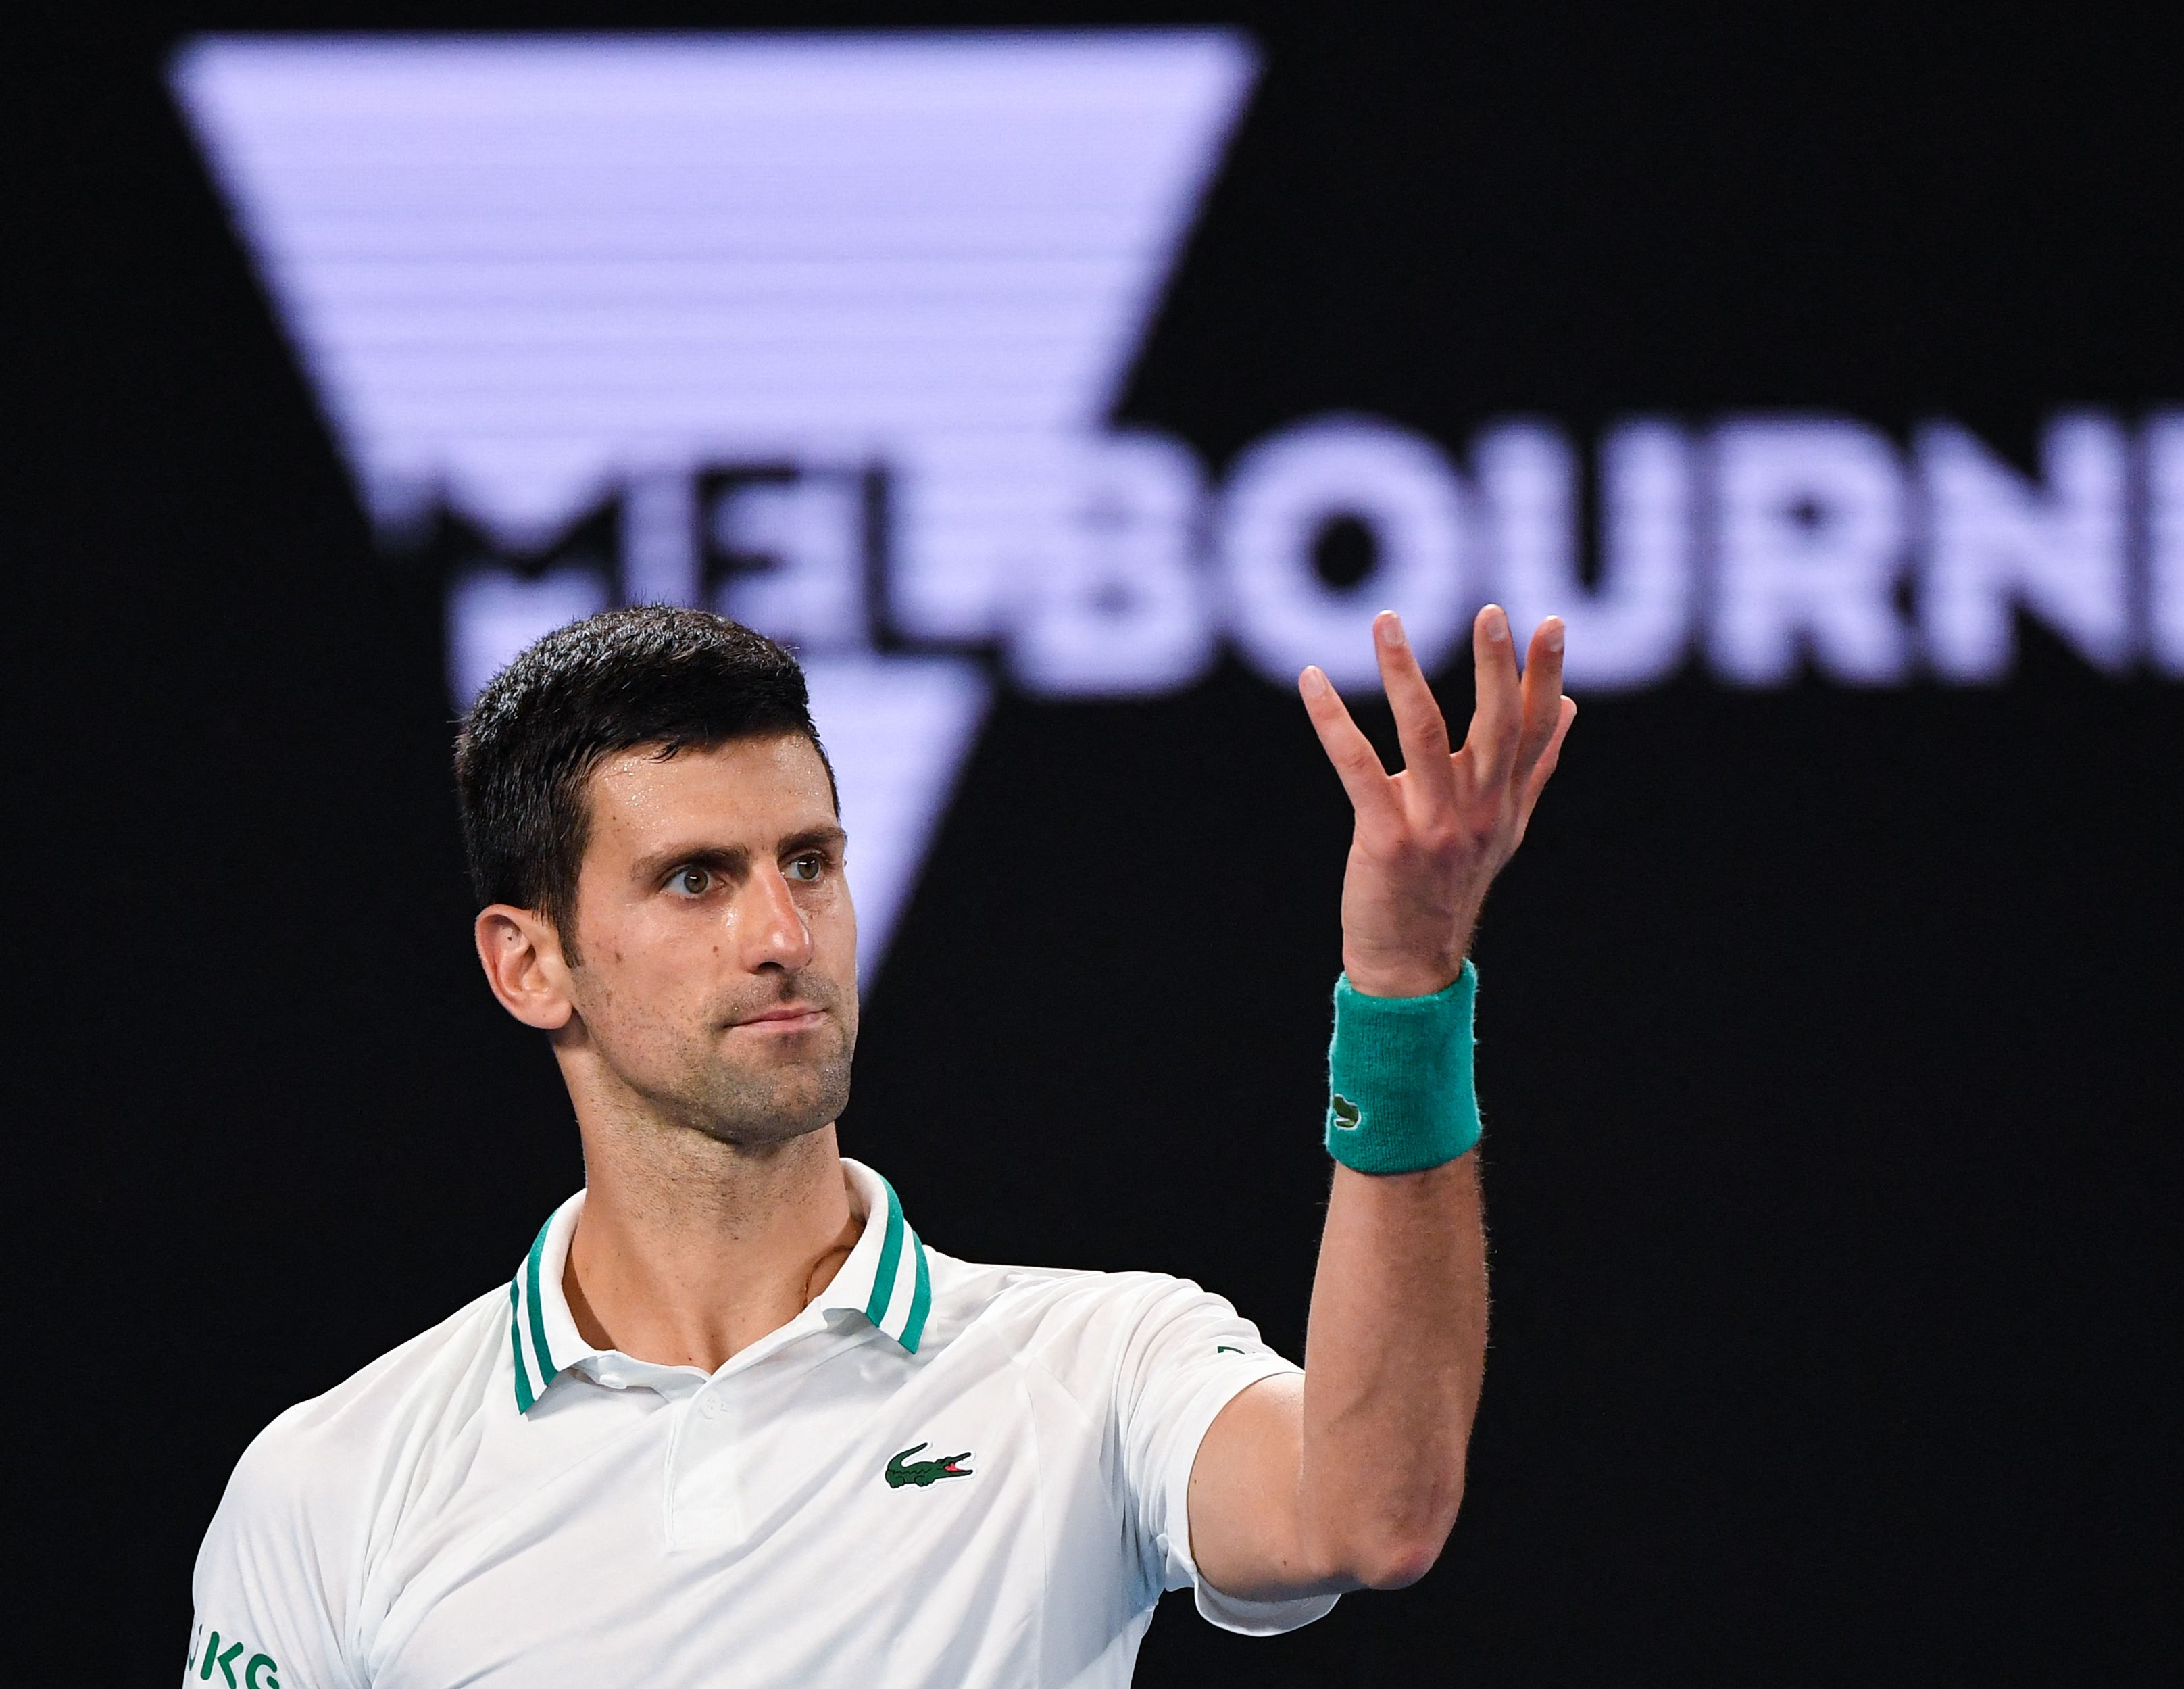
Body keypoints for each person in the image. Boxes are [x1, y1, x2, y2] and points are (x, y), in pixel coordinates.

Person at [184, 600, 1573, 1688]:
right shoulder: (334, 1481)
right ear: (528, 962)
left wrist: (1402, 986)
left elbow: (1370, 1509)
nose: (782, 934)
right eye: (694, 879)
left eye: (809, 860)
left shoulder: (1097, 1364)